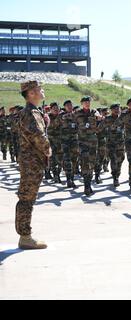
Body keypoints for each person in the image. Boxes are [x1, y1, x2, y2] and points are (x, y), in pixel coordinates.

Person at [15, 81, 51, 250]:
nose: (42, 91)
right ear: (30, 93)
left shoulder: (34, 112)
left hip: (33, 162)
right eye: (39, 89)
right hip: (31, 163)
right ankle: (25, 237)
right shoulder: (29, 112)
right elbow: (37, 136)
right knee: (27, 199)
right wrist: (48, 150)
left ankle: (25, 235)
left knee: (28, 198)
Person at [74, 96, 101, 196]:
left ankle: (88, 184)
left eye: (88, 102)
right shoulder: (77, 113)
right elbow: (68, 119)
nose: (87, 103)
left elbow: (99, 116)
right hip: (82, 142)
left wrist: (99, 117)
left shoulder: (94, 112)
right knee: (85, 163)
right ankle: (86, 186)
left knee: (92, 163)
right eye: (85, 102)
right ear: (81, 103)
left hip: (93, 142)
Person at [98, 104, 125, 188]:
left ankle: (118, 174)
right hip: (111, 144)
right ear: (111, 110)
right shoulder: (107, 119)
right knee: (113, 160)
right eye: (115, 109)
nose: (117, 110)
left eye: (118, 108)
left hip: (121, 143)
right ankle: (115, 177)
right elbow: (99, 129)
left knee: (120, 160)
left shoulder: (122, 118)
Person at [60, 100, 79, 189]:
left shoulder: (77, 116)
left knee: (74, 160)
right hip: (65, 141)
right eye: (67, 105)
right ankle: (68, 180)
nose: (69, 106)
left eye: (71, 105)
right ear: (64, 107)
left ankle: (72, 178)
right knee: (67, 160)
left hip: (75, 141)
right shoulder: (61, 116)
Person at [47, 102, 63, 184]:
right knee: (52, 159)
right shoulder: (47, 117)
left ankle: (58, 174)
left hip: (60, 141)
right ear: (51, 110)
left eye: (57, 108)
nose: (56, 110)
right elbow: (52, 125)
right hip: (50, 141)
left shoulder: (62, 117)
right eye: (54, 109)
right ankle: (55, 175)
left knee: (60, 160)